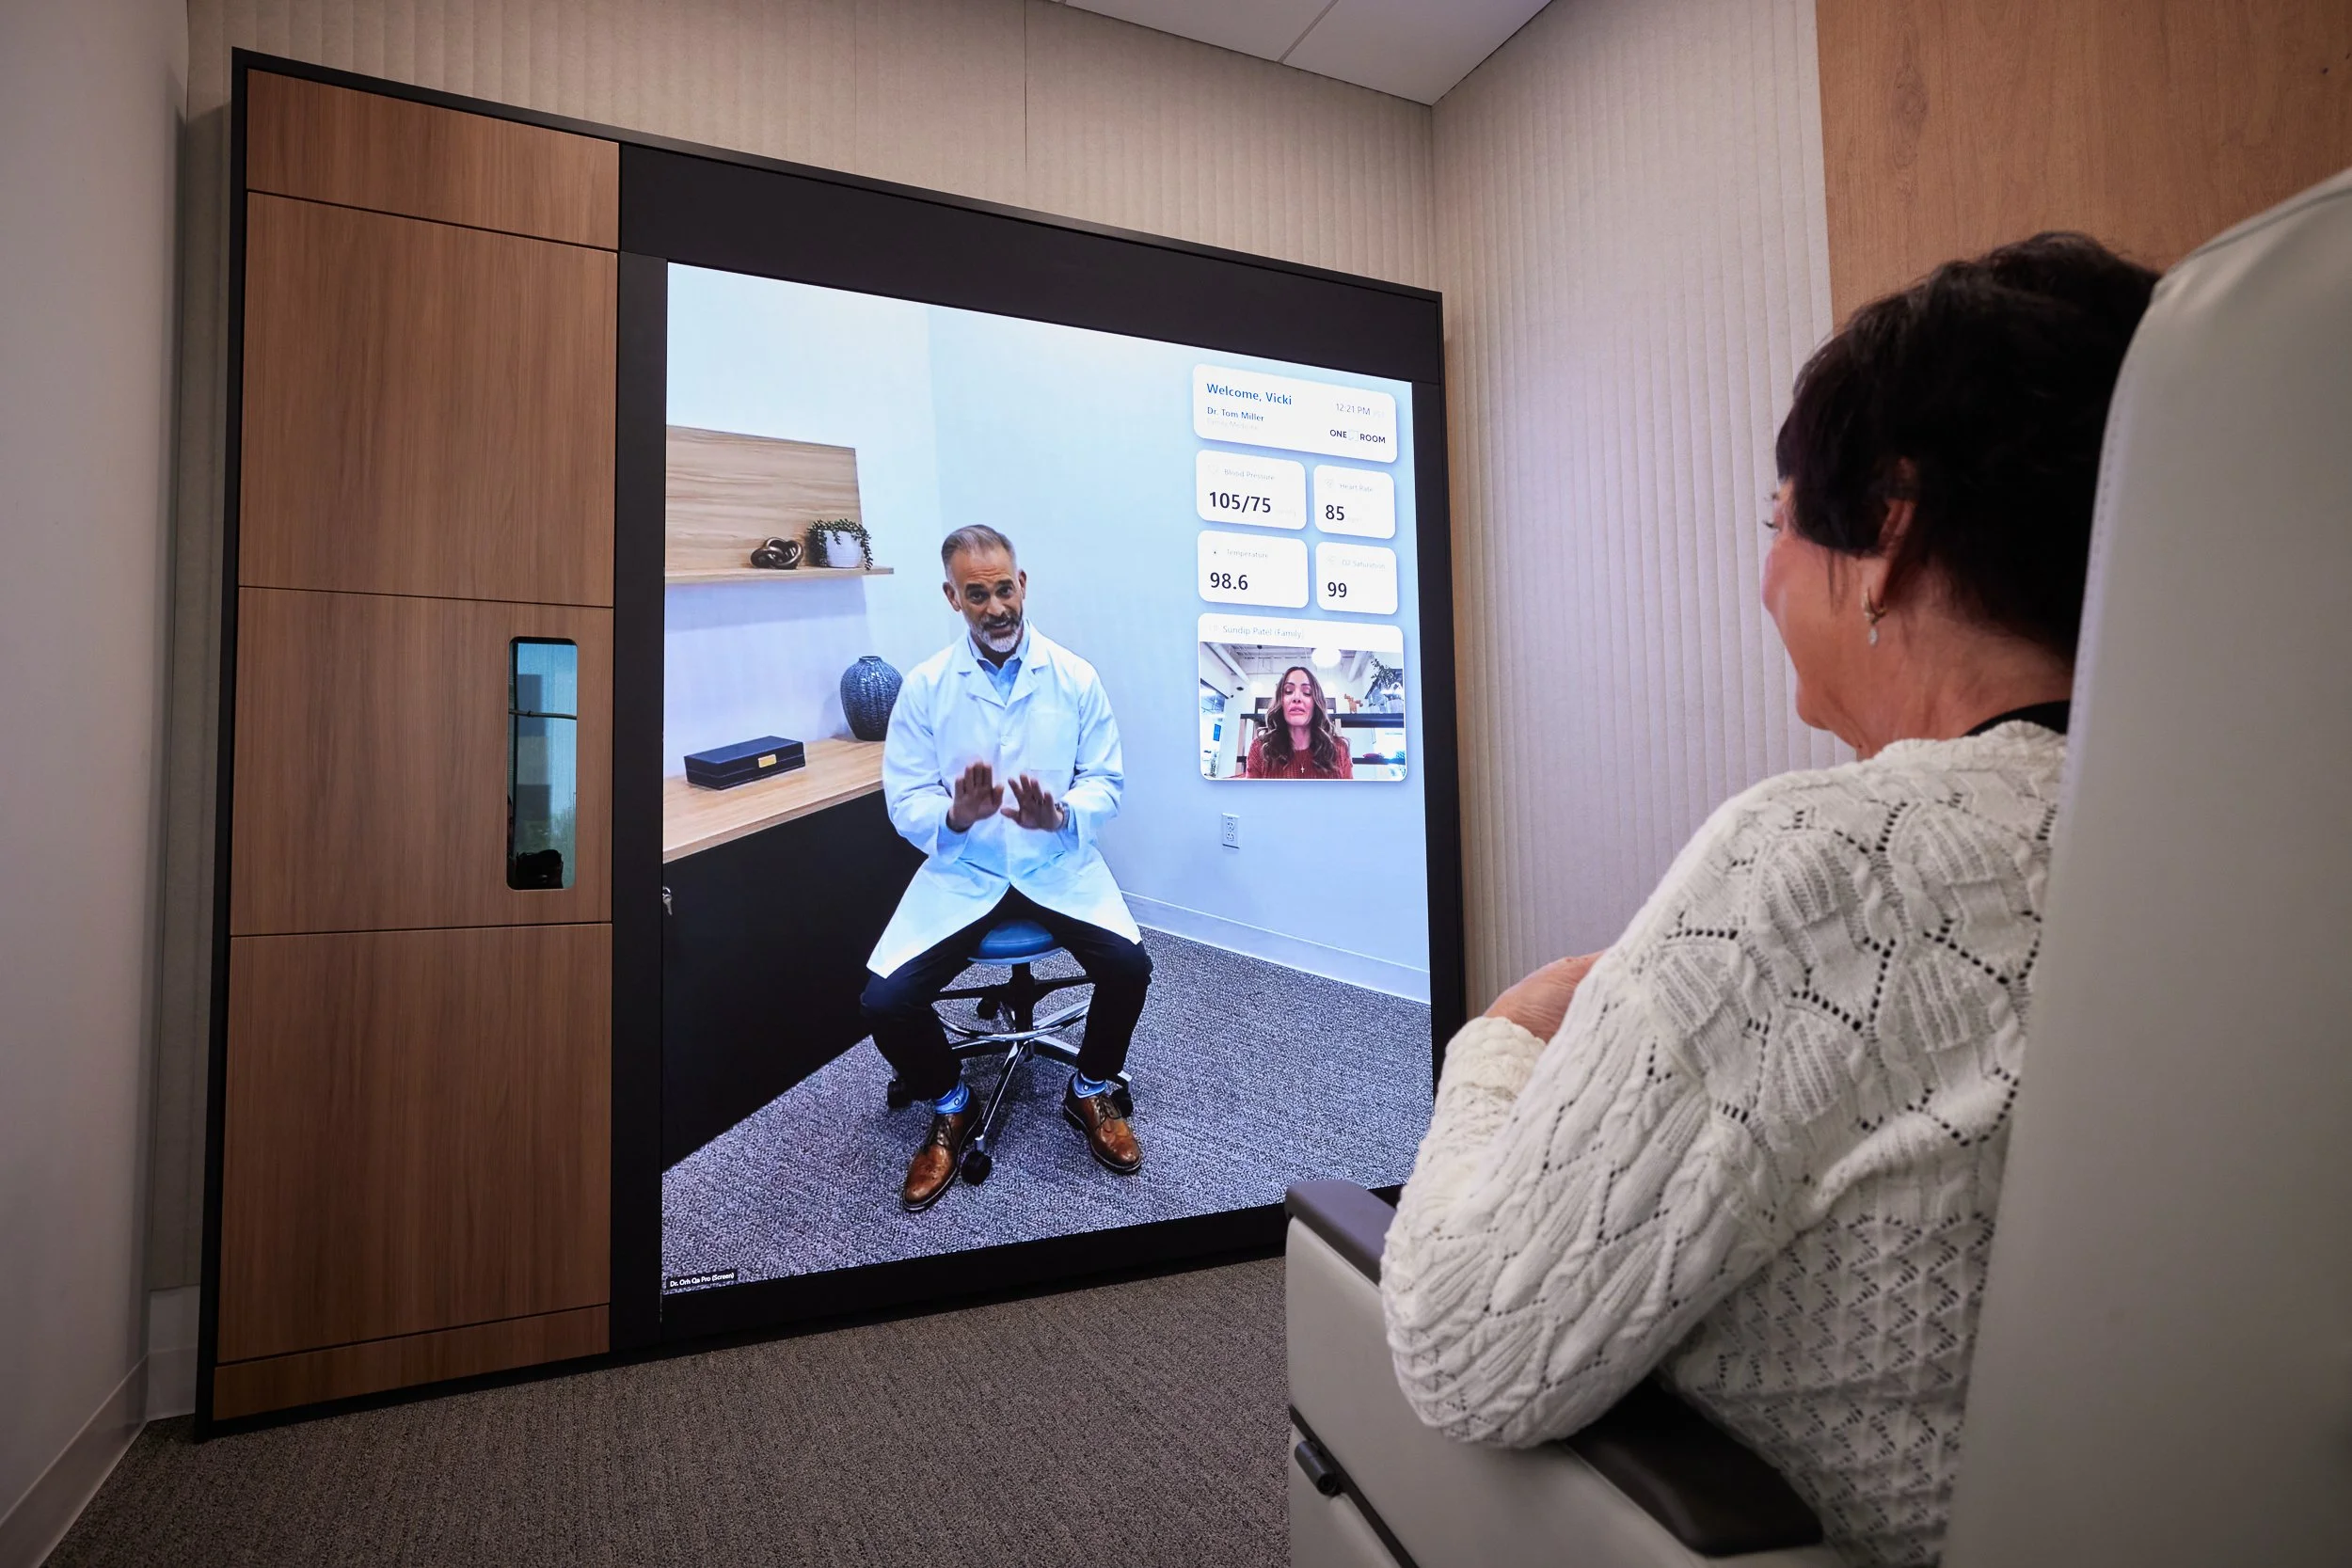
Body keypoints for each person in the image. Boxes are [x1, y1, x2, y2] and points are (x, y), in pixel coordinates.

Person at [1379, 234, 2158, 1567]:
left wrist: (1504, 1036)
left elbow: (1466, 1337)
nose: (1762, 576)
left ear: (1887, 529)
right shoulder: (2236, 844)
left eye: (1774, 520)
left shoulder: (1821, 866)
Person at [863, 524, 1152, 1212]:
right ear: (952, 597)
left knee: (1129, 966)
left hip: (1057, 865)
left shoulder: (1075, 676)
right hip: (968, 872)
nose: (996, 606)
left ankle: (1089, 1089)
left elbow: (1107, 782)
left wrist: (1063, 814)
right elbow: (904, 798)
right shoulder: (928, 687)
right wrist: (955, 817)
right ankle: (952, 1101)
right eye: (977, 593)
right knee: (884, 1000)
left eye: (1004, 588)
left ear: (1022, 584)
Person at [1242, 665, 1356, 779]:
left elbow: (1350, 796)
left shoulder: (1339, 749)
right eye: (1288, 691)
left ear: (1316, 703)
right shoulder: (1259, 749)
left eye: (1307, 692)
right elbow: (1250, 796)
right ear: (1281, 702)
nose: (1296, 697)